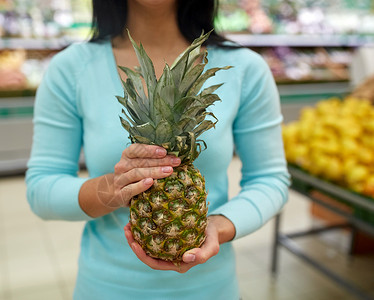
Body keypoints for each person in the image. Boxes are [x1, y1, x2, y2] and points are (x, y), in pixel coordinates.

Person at [25, 0, 290, 299]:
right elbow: (41, 189)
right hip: (107, 288)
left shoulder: (247, 68)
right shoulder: (70, 67)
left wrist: (222, 225)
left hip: (211, 289)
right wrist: (114, 188)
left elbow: (270, 179)